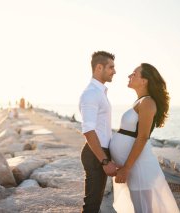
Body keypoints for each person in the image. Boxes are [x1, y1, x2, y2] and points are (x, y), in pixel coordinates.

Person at [109, 63, 180, 213]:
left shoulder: (147, 102)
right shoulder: (140, 102)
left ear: (144, 81)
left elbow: (142, 137)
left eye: (134, 74)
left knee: (143, 209)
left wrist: (126, 168)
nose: (129, 76)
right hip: (135, 166)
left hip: (140, 167)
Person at [79, 51, 118, 212]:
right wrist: (104, 161)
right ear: (99, 68)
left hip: (100, 152)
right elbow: (88, 131)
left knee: (95, 203)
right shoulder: (91, 94)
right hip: (96, 154)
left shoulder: (99, 92)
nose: (114, 71)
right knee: (92, 205)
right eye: (111, 67)